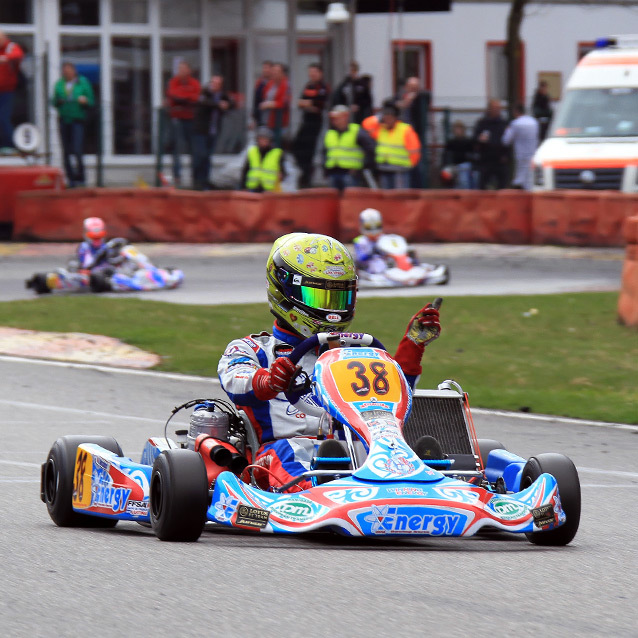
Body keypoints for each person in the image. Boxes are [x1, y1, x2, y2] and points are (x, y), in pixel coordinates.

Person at [218, 232, 442, 491]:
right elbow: (235, 381)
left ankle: (427, 479)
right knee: (292, 450)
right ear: (285, 290)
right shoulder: (254, 349)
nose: (332, 310)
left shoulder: (355, 351)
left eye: (338, 299)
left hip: (356, 446)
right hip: (278, 452)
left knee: (392, 445)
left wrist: (412, 347)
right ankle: (318, 488)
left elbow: (391, 399)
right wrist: (270, 380)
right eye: (319, 298)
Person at [353, 208, 449, 284]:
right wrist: (372, 252)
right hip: (373, 265)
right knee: (378, 264)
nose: (373, 230)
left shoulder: (385, 238)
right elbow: (360, 258)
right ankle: (393, 273)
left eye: (376, 226)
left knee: (409, 253)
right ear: (362, 226)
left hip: (392, 262)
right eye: (369, 227)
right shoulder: (360, 241)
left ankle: (414, 268)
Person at [51, 62, 95, 188]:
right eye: (64, 71)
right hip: (64, 119)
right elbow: (53, 101)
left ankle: (81, 177)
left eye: (69, 70)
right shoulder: (59, 84)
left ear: (74, 71)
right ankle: (71, 179)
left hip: (77, 119)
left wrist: (84, 101)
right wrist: (58, 101)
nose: (67, 73)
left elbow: (91, 101)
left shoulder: (83, 83)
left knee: (77, 149)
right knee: (66, 151)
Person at [191, 75, 233, 190]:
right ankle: (197, 180)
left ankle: (205, 181)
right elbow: (204, 103)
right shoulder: (204, 93)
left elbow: (231, 104)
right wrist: (218, 105)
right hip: (201, 130)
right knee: (201, 155)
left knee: (208, 157)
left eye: (217, 84)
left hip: (213, 131)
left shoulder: (223, 96)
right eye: (213, 83)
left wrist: (227, 105)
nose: (214, 85)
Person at [322, 104, 376, 192]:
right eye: (333, 118)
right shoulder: (330, 133)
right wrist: (325, 170)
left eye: (337, 117)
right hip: (333, 172)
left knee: (350, 200)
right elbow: (325, 153)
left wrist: (362, 167)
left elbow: (371, 149)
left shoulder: (356, 131)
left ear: (345, 117)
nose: (334, 120)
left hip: (350, 173)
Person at [292, 63, 329, 189]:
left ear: (320, 73)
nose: (312, 75)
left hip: (316, 123)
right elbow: (300, 102)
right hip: (306, 121)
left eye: (314, 72)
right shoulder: (308, 86)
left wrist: (308, 104)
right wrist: (308, 104)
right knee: (297, 147)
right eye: (310, 72)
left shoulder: (323, 87)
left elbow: (319, 103)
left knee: (311, 151)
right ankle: (302, 172)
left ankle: (307, 177)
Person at [166, 60, 201, 187]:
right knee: (177, 148)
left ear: (189, 71)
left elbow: (196, 98)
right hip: (177, 119)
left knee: (193, 149)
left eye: (183, 69)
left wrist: (183, 98)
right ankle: (177, 177)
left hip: (191, 119)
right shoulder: (173, 82)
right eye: (179, 69)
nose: (181, 71)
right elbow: (173, 96)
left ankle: (194, 178)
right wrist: (186, 99)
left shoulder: (194, 83)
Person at [373, 102, 421, 190]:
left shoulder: (405, 129)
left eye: (389, 118)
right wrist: (378, 117)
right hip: (384, 168)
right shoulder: (380, 129)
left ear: (395, 118)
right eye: (385, 118)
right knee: (386, 198)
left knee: (399, 198)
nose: (387, 120)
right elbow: (367, 124)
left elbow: (414, 150)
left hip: (400, 170)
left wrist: (409, 165)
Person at [395, 76, 431, 187]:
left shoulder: (421, 98)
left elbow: (427, 95)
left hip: (417, 136)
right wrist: (404, 102)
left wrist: (414, 97)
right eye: (411, 87)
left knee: (418, 165)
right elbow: (392, 104)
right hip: (402, 139)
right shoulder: (400, 97)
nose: (413, 89)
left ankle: (418, 188)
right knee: (405, 166)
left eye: (416, 87)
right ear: (406, 87)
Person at [473, 98, 509, 190]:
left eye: (498, 108)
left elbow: (508, 141)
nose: (497, 110)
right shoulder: (482, 123)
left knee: (502, 184)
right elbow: (475, 139)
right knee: (483, 185)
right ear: (489, 109)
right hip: (486, 159)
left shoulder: (503, 123)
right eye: (495, 108)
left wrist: (505, 154)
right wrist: (480, 140)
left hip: (500, 159)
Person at [502, 104, 539, 191]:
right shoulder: (533, 122)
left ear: (516, 112)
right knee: (530, 177)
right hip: (533, 153)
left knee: (520, 176)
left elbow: (506, 140)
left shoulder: (515, 123)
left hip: (521, 154)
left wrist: (507, 129)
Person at [242, 126, 285, 192]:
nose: (262, 142)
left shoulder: (277, 153)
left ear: (270, 140)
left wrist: (281, 175)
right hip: (253, 188)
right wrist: (243, 186)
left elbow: (283, 172)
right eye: (260, 139)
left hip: (269, 190)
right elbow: (245, 170)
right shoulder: (252, 152)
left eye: (265, 139)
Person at [0, 30, 24, 149]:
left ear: (4, 38)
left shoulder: (11, 47)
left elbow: (18, 55)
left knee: (3, 118)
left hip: (7, 91)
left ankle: (10, 145)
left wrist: (4, 58)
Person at [258, 62, 290, 144]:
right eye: (273, 71)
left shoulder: (285, 85)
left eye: (277, 71)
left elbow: (284, 102)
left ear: (282, 73)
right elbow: (264, 97)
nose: (274, 73)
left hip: (278, 121)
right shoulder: (270, 84)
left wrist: (270, 104)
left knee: (277, 144)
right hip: (267, 120)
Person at [441, 120, 476, 189]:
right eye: (456, 129)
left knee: (464, 177)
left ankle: (464, 194)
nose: (458, 131)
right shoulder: (451, 142)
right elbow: (446, 155)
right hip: (454, 166)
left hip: (465, 166)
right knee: (447, 174)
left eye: (459, 129)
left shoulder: (468, 142)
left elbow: (472, 155)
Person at [252, 61, 273, 128]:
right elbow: (256, 100)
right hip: (260, 115)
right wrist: (254, 117)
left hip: (271, 116)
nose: (265, 70)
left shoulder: (274, 83)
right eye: (264, 68)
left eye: (267, 68)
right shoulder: (259, 82)